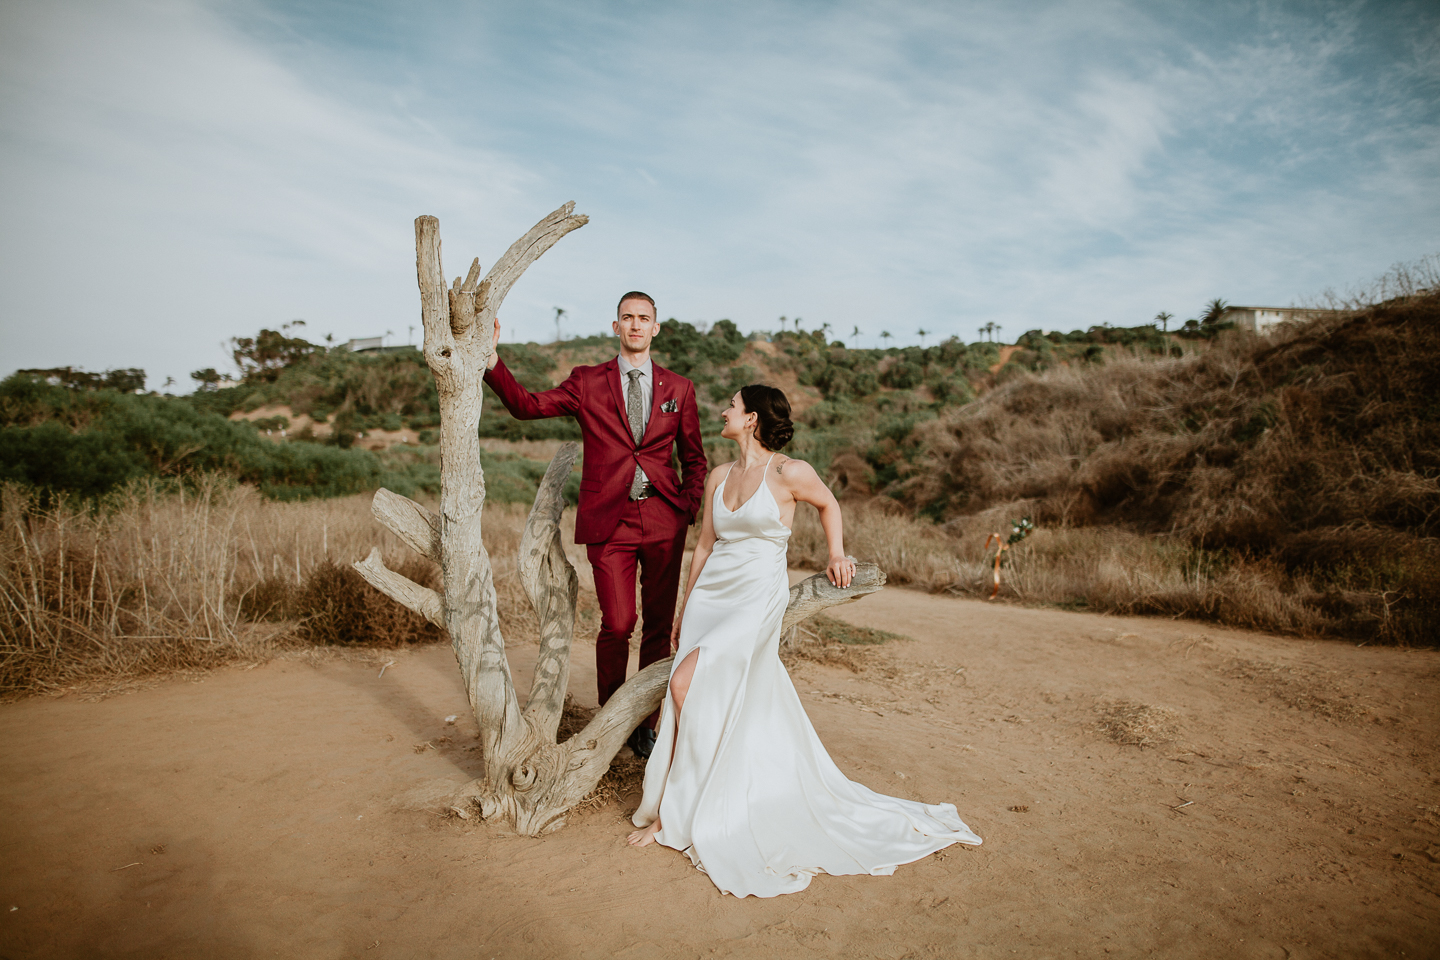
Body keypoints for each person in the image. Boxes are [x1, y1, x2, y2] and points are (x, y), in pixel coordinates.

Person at [625, 384, 982, 897]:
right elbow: (703, 546)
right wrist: (685, 610)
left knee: (685, 685)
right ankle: (674, 809)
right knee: (700, 693)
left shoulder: (790, 471)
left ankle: (679, 813)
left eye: (731, 405)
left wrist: (837, 554)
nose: (722, 411)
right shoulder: (719, 477)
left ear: (750, 419)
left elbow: (829, 503)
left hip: (754, 596)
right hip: (712, 598)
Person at [483, 292, 707, 758]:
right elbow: (527, 406)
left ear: (656, 328)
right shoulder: (587, 382)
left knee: (658, 628)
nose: (636, 325)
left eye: (644, 318)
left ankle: (647, 721)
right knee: (619, 620)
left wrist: (687, 505)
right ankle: (613, 715)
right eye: (628, 318)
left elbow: (694, 458)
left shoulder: (679, 388)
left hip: (665, 518)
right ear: (615, 326)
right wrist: (491, 361)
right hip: (611, 519)